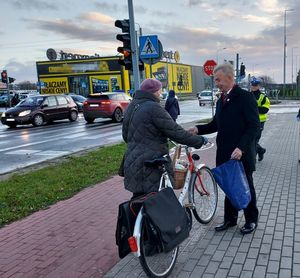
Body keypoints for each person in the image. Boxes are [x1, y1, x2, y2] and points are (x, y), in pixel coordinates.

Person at [188, 63, 260, 234]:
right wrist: (198, 129)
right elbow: (216, 124)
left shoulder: (245, 97)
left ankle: (251, 220)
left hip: (240, 153)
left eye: (218, 79)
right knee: (229, 186)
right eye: (215, 80)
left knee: (246, 187)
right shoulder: (221, 100)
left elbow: (254, 126)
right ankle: (230, 219)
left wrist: (241, 148)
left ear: (230, 77)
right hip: (224, 152)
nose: (217, 83)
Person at [122, 78, 207, 198]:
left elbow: (126, 136)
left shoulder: (131, 107)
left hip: (132, 161)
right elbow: (176, 133)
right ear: (155, 91)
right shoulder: (154, 108)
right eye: (160, 91)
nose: (161, 94)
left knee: (140, 199)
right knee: (158, 202)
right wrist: (199, 140)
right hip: (152, 164)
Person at [250, 77, 270, 161]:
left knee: (254, 140)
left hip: (259, 122)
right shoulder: (248, 95)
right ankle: (261, 150)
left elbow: (265, 109)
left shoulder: (263, 97)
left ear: (258, 86)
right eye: (253, 85)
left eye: (255, 85)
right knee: (251, 140)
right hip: (249, 121)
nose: (254, 87)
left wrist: (254, 108)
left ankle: (252, 159)